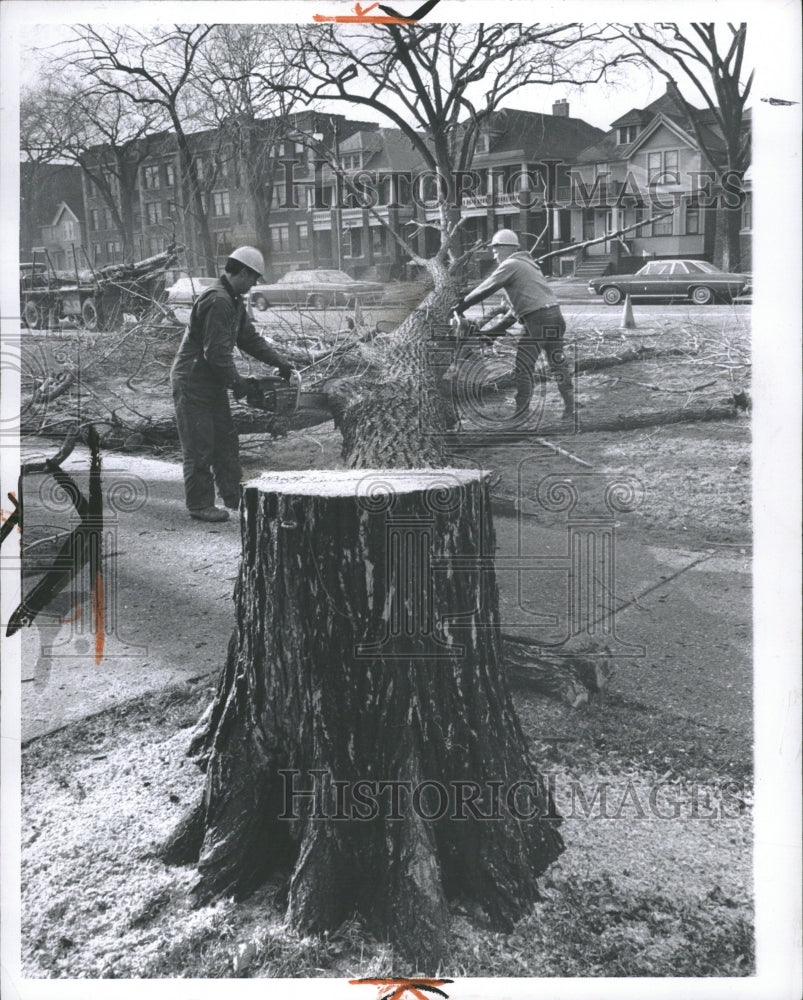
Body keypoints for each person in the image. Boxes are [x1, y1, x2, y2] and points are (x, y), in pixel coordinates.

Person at [170, 246, 295, 523]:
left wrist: (281, 363)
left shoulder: (233, 300)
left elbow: (249, 339)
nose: (255, 285)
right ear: (241, 272)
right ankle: (200, 504)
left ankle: (233, 497)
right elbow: (216, 353)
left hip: (210, 381)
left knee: (226, 440)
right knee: (199, 445)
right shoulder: (219, 300)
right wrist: (238, 383)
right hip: (192, 381)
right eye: (254, 278)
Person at [451, 229, 576, 419]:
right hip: (555, 317)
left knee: (523, 367)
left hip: (539, 321)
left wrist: (461, 306)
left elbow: (486, 288)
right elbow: (514, 312)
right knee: (558, 363)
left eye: (495, 250)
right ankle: (570, 407)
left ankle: (520, 413)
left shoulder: (511, 264)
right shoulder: (530, 266)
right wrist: (493, 333)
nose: (494, 255)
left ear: (506, 248)